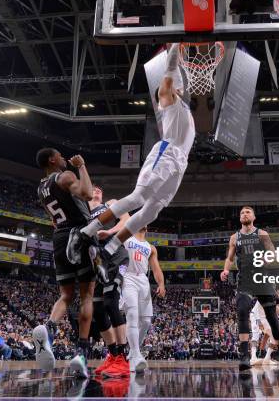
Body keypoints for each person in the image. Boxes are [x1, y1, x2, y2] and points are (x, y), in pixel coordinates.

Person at [67, 43, 195, 274]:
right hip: (166, 153)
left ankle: (108, 250)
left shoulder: (183, 106)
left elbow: (177, 76)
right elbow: (170, 71)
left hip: (180, 163)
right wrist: (177, 45)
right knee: (139, 197)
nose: (181, 87)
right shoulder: (168, 98)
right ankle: (86, 232)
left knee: (152, 211)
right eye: (177, 86)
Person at [33, 148, 98, 378]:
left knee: (66, 295)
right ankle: (81, 353)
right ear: (52, 159)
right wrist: (81, 166)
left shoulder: (41, 188)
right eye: (59, 156)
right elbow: (88, 194)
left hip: (59, 238)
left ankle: (49, 329)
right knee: (87, 295)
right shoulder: (65, 176)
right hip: (79, 234)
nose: (63, 158)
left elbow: (53, 221)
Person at [220, 206, 279, 372]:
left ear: (254, 216)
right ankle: (244, 356)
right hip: (244, 280)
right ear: (239, 218)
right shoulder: (234, 237)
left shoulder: (262, 234)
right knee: (242, 311)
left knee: (273, 318)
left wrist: (268, 259)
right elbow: (229, 258)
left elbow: (272, 251)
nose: (245, 214)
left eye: (248, 212)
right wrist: (226, 270)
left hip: (262, 279)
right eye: (242, 212)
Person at [88, 185, 131, 378]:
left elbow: (127, 220)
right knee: (97, 309)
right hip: (98, 262)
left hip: (116, 253)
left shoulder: (110, 204)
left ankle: (123, 356)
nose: (97, 189)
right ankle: (113, 355)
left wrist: (110, 232)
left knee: (111, 301)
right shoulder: (82, 212)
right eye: (93, 188)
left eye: (99, 188)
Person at [122, 226, 165, 373]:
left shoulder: (151, 247)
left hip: (143, 280)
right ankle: (136, 357)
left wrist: (161, 284)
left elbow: (156, 268)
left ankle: (134, 350)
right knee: (132, 316)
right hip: (128, 277)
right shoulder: (126, 238)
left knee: (146, 321)